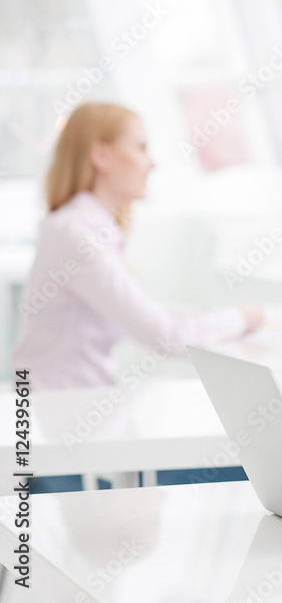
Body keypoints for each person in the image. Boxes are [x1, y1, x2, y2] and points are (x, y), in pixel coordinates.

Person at [13, 102, 262, 490]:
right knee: (240, 464)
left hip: (74, 415)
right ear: (101, 155)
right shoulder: (78, 235)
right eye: (142, 148)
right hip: (61, 421)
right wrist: (242, 319)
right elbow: (162, 336)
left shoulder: (84, 228)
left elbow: (149, 313)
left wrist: (226, 316)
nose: (151, 164)